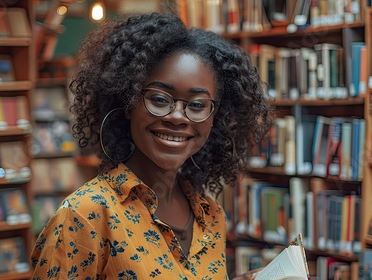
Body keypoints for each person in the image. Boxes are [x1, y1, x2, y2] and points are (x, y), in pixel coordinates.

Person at [31, 12, 271, 279]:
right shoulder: (85, 215)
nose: (178, 117)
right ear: (127, 103)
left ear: (217, 117)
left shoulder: (210, 215)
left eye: (197, 105)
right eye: (159, 98)